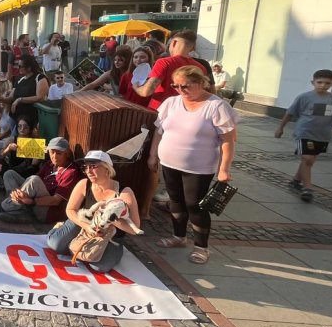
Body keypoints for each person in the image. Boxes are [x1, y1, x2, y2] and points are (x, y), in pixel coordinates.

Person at [149, 65, 237, 264]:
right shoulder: (171, 103)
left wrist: (224, 169)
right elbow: (159, 131)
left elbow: (228, 140)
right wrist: (153, 155)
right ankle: (179, 237)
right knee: (175, 201)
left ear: (201, 83)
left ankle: (201, 247)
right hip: (169, 162)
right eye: (176, 86)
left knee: (194, 205)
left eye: (185, 86)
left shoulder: (216, 106)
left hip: (199, 167)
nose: (180, 90)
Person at [46, 151, 143, 273]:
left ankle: (78, 246)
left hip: (110, 235)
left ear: (107, 168)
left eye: (93, 166)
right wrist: (87, 227)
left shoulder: (124, 192)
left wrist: (112, 219)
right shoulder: (84, 184)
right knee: (55, 244)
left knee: (100, 267)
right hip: (84, 225)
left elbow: (135, 228)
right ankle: (62, 231)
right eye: (86, 167)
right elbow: (70, 210)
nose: (88, 171)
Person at [275, 68, 332, 203]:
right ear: (313, 82)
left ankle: (296, 180)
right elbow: (290, 113)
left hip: (323, 135)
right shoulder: (304, 97)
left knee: (310, 161)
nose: (323, 85)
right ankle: (307, 188)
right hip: (304, 132)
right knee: (307, 158)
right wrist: (280, 127)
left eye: (327, 83)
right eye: (319, 82)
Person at [0, 137, 83, 224]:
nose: (55, 156)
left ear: (67, 153)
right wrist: (21, 194)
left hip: (47, 211)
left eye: (59, 153)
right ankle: (20, 210)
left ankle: (3, 207)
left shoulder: (71, 172)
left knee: (34, 180)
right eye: (52, 152)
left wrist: (31, 202)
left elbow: (56, 201)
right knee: (9, 174)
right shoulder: (50, 164)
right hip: (33, 200)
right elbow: (33, 180)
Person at [131, 29, 208, 110]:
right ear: (192, 48)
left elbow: (146, 92)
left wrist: (135, 87)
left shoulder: (164, 62)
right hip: (185, 111)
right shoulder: (201, 68)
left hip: (158, 111)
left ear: (173, 43)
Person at [6, 54, 49, 122]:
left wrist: (19, 100)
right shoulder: (19, 79)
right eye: (17, 65)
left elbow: (40, 97)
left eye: (20, 66)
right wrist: (0, 98)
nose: (18, 68)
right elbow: (11, 98)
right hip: (14, 117)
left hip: (30, 120)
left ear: (29, 68)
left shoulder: (40, 78)